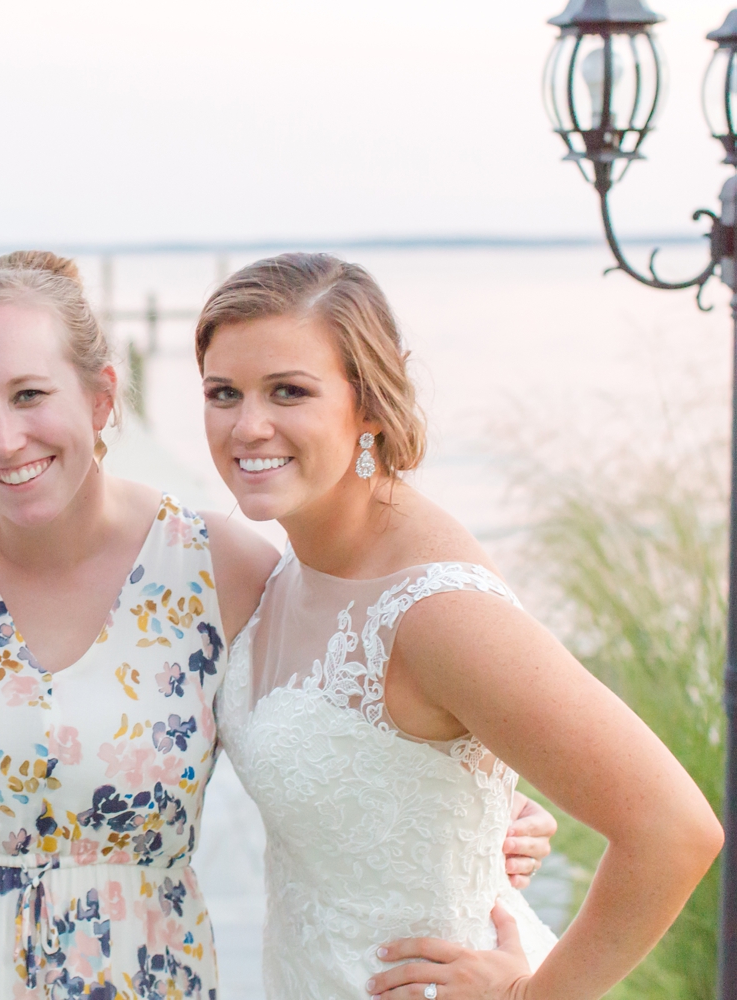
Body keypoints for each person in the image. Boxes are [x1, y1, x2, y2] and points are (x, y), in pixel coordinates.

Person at [0, 251, 554, 1000]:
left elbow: (357, 710)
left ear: (102, 400)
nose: (4, 439)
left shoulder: (221, 569)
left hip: (136, 976)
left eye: (30, 395)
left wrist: (483, 813)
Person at [201, 252, 724, 1000]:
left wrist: (529, 998)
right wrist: (481, 813)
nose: (248, 426)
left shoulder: (435, 607)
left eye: (289, 391)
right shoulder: (297, 561)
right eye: (224, 393)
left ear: (370, 405)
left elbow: (674, 832)